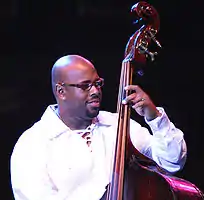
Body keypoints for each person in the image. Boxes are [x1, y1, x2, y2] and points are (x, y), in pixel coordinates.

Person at [10, 54, 187, 200]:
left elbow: (171, 162)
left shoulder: (119, 125)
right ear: (61, 92)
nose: (95, 91)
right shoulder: (32, 145)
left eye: (97, 83)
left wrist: (154, 116)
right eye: (85, 86)